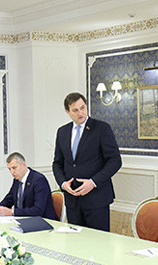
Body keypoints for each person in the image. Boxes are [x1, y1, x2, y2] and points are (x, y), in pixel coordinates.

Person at [52, 92, 122, 232]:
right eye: (75, 110)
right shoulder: (62, 132)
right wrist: (63, 184)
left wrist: (93, 182)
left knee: (98, 241)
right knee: (76, 242)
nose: (80, 113)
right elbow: (57, 163)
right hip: (72, 200)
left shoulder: (102, 128)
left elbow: (115, 161)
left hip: (97, 199)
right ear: (67, 112)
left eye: (82, 108)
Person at [0, 152, 57, 220]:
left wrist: (12, 212)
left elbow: (38, 210)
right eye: (9, 169)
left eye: (14, 168)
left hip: (43, 221)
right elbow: (9, 199)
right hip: (23, 219)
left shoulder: (39, 180)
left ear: (23, 164)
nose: (12, 172)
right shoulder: (17, 180)